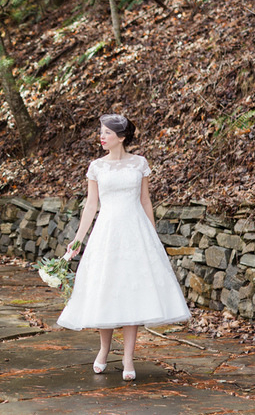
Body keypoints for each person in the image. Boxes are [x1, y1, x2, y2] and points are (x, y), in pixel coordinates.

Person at [56, 114, 191, 381]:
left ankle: (128, 357)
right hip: (107, 233)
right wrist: (79, 238)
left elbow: (145, 200)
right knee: (106, 289)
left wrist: (152, 236)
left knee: (133, 291)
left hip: (135, 232)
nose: (102, 137)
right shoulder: (96, 167)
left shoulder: (139, 164)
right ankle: (104, 350)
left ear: (122, 137)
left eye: (107, 133)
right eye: (101, 132)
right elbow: (91, 206)